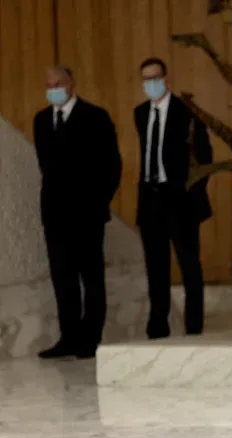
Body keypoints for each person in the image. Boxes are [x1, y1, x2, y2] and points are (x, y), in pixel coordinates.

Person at [33, 66, 122, 359]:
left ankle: (89, 339)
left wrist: (97, 203)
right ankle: (68, 338)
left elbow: (112, 166)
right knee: (63, 278)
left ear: (71, 83)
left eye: (58, 83)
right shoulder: (42, 120)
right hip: (55, 215)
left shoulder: (96, 117)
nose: (53, 89)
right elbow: (47, 166)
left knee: (91, 278)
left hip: (87, 215)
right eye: (49, 85)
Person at [134, 57, 213, 339]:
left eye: (155, 78)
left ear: (166, 79)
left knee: (189, 263)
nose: (151, 84)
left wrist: (191, 193)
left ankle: (194, 326)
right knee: (156, 266)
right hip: (151, 198)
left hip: (180, 199)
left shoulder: (187, 112)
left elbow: (205, 158)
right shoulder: (140, 113)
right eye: (146, 79)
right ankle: (158, 324)